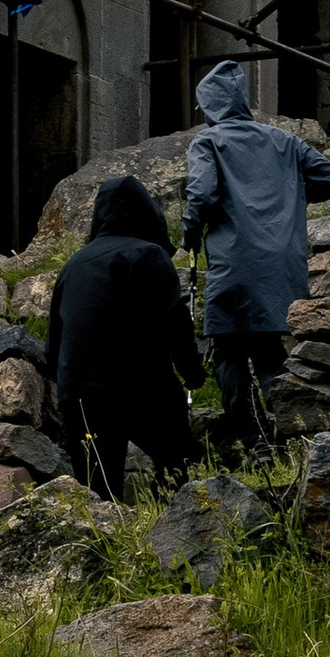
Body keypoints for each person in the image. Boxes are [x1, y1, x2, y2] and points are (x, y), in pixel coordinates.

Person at [181, 57, 330, 457]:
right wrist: (292, 195)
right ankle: (292, 434)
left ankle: (255, 441)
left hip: (235, 264)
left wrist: (188, 233)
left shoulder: (209, 142)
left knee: (228, 352)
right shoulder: (284, 141)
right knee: (271, 351)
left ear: (211, 106)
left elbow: (201, 194)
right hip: (283, 265)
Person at [45, 171, 207, 499]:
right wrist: (193, 373)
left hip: (78, 393)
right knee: (175, 458)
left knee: (98, 493)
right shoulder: (148, 254)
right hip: (136, 385)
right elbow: (174, 322)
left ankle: (109, 542)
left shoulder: (74, 265)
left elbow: (54, 343)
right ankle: (177, 514)